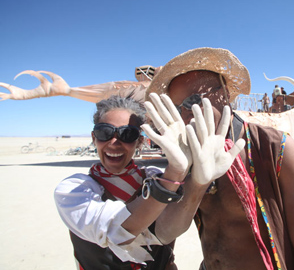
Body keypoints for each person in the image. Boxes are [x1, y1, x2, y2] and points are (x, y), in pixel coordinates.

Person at [145, 47, 294, 270]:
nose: (186, 116)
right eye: (176, 109)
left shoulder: (275, 150)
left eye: (193, 101)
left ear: (223, 94)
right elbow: (166, 233)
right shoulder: (187, 156)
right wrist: (195, 183)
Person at [54, 95, 237, 269]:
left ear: (139, 142)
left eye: (127, 134)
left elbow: (168, 232)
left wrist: (198, 183)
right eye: (105, 132)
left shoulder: (154, 177)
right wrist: (174, 173)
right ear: (94, 138)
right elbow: (119, 229)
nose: (114, 142)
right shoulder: (73, 190)